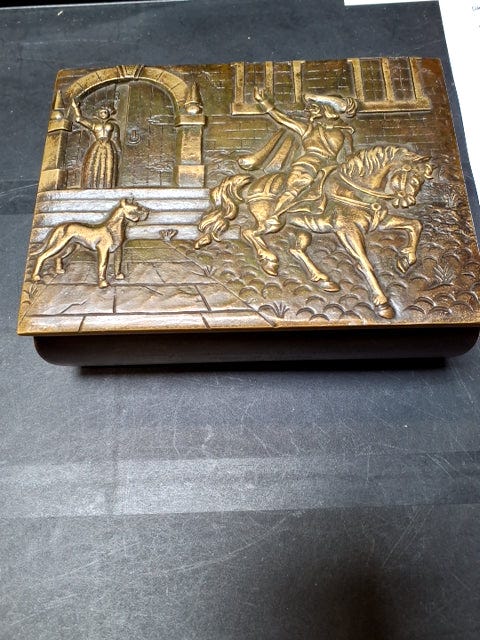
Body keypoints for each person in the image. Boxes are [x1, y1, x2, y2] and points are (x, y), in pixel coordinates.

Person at [253, 87, 357, 232]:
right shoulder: (308, 129)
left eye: (314, 108)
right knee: (296, 188)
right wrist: (265, 102)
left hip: (331, 168)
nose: (309, 111)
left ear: (326, 110)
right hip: (307, 165)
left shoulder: (344, 133)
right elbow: (283, 119)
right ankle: (274, 215)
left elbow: (349, 156)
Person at [71, 98, 120, 189]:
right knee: (94, 163)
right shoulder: (94, 124)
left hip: (108, 145)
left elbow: (116, 138)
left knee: (108, 165)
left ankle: (108, 186)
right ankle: (91, 185)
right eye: (101, 112)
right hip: (97, 145)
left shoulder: (114, 125)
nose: (103, 114)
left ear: (109, 113)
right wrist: (76, 108)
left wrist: (118, 150)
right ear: (98, 114)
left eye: (105, 112)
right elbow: (79, 119)